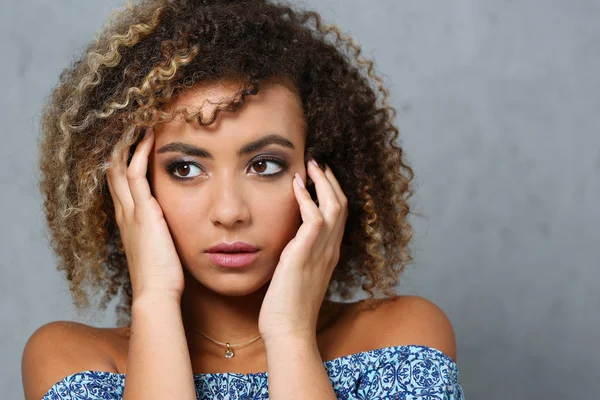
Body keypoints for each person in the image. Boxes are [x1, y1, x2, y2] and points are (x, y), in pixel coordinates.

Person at [21, 0, 464, 398]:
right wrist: (153, 298)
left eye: (265, 165)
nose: (230, 211)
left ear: (321, 175)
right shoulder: (72, 360)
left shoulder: (403, 336)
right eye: (185, 169)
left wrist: (289, 336)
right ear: (132, 185)